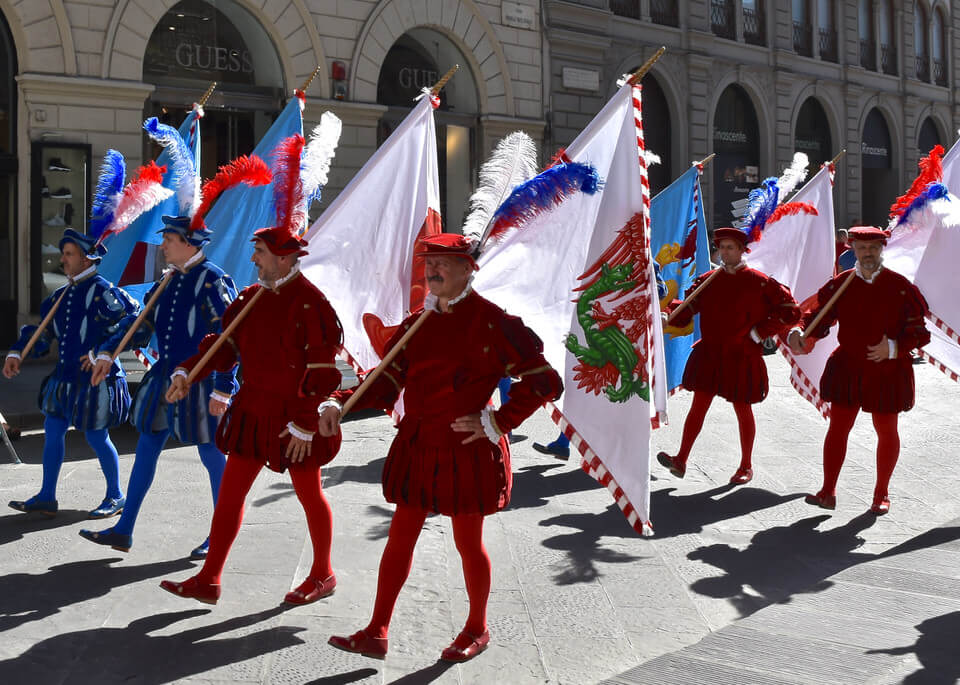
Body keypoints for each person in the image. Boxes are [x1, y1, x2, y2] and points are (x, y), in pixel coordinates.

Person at [323, 233, 562, 662]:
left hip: (467, 448)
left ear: (469, 269)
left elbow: (546, 382)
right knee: (400, 537)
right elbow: (388, 379)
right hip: (418, 442)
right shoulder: (420, 321)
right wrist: (339, 402)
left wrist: (500, 420)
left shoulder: (495, 323)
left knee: (468, 543)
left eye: (443, 263)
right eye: (429, 262)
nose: (432, 270)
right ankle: (377, 630)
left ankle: (477, 627)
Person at [157, 133, 344, 606]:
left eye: (259, 253)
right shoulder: (249, 297)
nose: (253, 259)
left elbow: (325, 372)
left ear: (283, 258)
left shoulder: (313, 304)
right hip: (253, 407)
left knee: (309, 495)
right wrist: (188, 373)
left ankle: (323, 573)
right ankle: (210, 578)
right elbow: (221, 345)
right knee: (231, 494)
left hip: (294, 418)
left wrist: (305, 420)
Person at [79, 218, 237, 557]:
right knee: (148, 445)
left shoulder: (213, 280)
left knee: (211, 453)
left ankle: (220, 536)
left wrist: (224, 386)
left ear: (189, 242)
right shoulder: (168, 280)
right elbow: (139, 323)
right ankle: (123, 530)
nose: (162, 246)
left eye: (168, 239)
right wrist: (108, 350)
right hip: (164, 374)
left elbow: (230, 338)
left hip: (200, 379)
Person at [788, 226, 930, 515]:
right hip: (849, 366)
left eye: (873, 248)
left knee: (886, 430)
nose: (867, 253)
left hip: (887, 369)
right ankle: (828, 491)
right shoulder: (841, 284)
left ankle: (881, 493)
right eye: (862, 248)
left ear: (882, 249)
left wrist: (893, 348)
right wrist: (799, 331)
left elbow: (919, 333)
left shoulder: (900, 286)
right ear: (852, 249)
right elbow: (816, 317)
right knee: (838, 428)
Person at [5, 229, 138, 518]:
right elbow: (42, 333)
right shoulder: (60, 295)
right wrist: (18, 352)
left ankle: (116, 495)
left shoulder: (104, 291)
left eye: (69, 254)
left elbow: (130, 323)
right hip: (64, 378)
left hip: (96, 379)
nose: (63, 259)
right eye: (63, 253)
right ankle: (47, 496)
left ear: (88, 258)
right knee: (52, 431)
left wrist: (101, 352)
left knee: (95, 436)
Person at [657, 227, 800, 484]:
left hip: (741, 355)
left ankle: (746, 466)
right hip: (711, 352)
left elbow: (790, 310)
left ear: (742, 250)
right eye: (722, 247)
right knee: (698, 406)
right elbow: (687, 308)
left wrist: (759, 332)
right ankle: (681, 458)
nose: (724, 252)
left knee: (742, 409)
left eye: (730, 248)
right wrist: (669, 314)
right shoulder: (710, 279)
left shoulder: (759, 282)